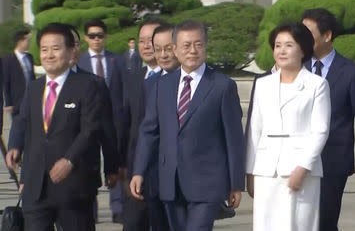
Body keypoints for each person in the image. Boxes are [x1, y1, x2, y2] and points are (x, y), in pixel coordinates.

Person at [130, 20, 245, 231]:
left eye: (198, 44)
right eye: (186, 45)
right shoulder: (162, 86)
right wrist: (139, 171)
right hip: (171, 182)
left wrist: (236, 183)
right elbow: (149, 132)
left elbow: (234, 138)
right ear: (175, 49)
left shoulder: (222, 86)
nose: (193, 50)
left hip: (207, 183)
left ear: (205, 47)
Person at [7, 23, 101, 231]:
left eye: (56, 49)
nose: (49, 55)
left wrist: (70, 160)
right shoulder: (34, 88)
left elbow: (90, 129)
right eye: (44, 49)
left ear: (70, 52)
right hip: (36, 187)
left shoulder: (87, 86)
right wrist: (14, 145)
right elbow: (23, 122)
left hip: (72, 186)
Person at [301, 8, 355, 231]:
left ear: (327, 35)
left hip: (332, 161)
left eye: (308, 32)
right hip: (296, 159)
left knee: (325, 221)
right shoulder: (295, 68)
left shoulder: (351, 72)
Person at [246, 22, 330, 231]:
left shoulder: (316, 85)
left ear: (303, 49)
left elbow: (320, 131)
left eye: (289, 45)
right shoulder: (263, 84)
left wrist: (303, 167)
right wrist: (250, 171)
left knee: (297, 225)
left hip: (300, 169)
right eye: (277, 45)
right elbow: (255, 130)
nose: (281, 51)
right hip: (266, 169)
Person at [122, 18, 170, 231]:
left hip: (166, 171)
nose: (146, 45)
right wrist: (121, 165)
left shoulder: (176, 78)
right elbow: (125, 124)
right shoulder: (133, 78)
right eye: (141, 40)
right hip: (137, 171)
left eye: (151, 40)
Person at [78, 18, 126, 223]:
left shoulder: (118, 61)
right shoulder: (79, 62)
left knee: (114, 162)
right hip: (86, 121)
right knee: (90, 164)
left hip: (112, 120)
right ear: (86, 38)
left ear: (105, 37)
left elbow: (124, 91)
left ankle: (118, 208)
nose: (96, 39)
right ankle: (92, 209)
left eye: (100, 35)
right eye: (92, 36)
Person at [2, 28, 36, 117]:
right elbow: (6, 82)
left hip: (31, 99)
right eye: (28, 40)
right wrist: (8, 103)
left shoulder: (29, 57)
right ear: (20, 41)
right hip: (17, 101)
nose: (29, 43)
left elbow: (32, 77)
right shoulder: (7, 60)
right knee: (18, 127)